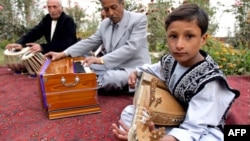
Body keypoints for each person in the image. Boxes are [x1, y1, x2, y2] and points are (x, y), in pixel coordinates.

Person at [111, 3, 240, 141]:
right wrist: (136, 72)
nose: (179, 45)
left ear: (203, 39)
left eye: (189, 36)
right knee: (130, 113)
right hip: (176, 116)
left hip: (201, 128)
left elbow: (195, 127)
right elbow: (154, 68)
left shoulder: (210, 82)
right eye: (173, 36)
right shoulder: (171, 60)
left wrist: (152, 138)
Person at [45, 0, 151, 93]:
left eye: (113, 7)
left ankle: (84, 87)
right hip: (110, 66)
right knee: (84, 64)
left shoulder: (138, 19)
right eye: (106, 9)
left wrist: (100, 60)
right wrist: (63, 53)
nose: (110, 13)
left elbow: (131, 48)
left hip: (132, 69)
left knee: (111, 78)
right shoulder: (105, 24)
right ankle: (90, 84)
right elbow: (90, 41)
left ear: (122, 4)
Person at [5, 0, 77, 54]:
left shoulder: (68, 21)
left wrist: (42, 47)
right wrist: (20, 43)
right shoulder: (47, 19)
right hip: (53, 54)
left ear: (61, 8)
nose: (52, 10)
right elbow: (34, 33)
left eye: (55, 7)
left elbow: (64, 43)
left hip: (69, 55)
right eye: (49, 7)